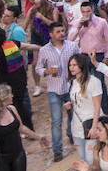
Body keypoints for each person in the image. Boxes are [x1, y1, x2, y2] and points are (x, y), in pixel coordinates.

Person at [33, 21, 79, 161]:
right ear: (51, 34)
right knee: (56, 121)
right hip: (54, 89)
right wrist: (46, 71)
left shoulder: (72, 46)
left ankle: (71, 133)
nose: (62, 34)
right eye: (58, 32)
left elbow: (80, 61)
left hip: (71, 87)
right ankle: (57, 151)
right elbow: (38, 68)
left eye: (63, 31)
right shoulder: (44, 50)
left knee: (74, 115)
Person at [66, 53, 103, 171]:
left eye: (74, 65)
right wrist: (70, 104)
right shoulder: (73, 82)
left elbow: (97, 107)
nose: (72, 68)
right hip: (77, 126)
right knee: (83, 157)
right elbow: (77, 100)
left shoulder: (93, 82)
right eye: (70, 65)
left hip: (90, 125)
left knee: (93, 157)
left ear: (82, 65)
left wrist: (94, 127)